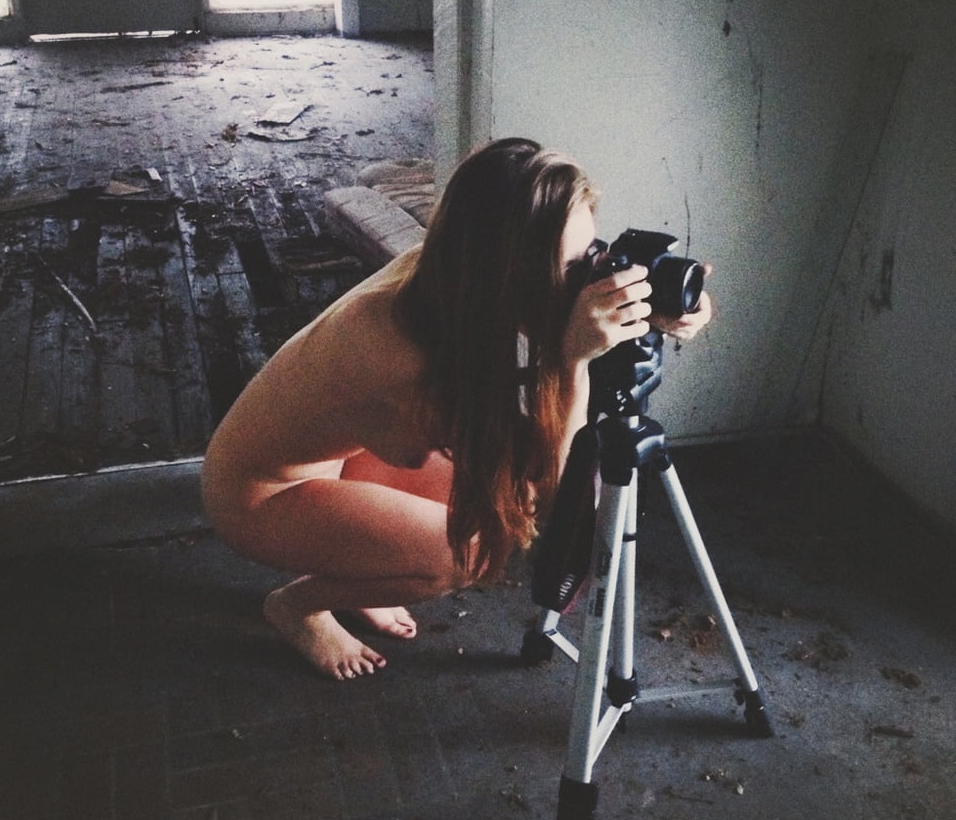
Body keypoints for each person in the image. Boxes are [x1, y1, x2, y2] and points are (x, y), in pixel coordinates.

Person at [201, 138, 712, 680]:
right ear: (507, 273)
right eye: (570, 270)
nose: (585, 282)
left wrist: (662, 305)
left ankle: (364, 574)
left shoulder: (450, 275)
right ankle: (299, 605)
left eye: (594, 254)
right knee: (467, 555)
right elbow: (553, 485)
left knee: (491, 502)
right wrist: (573, 362)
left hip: (343, 455)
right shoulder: (396, 355)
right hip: (259, 493)